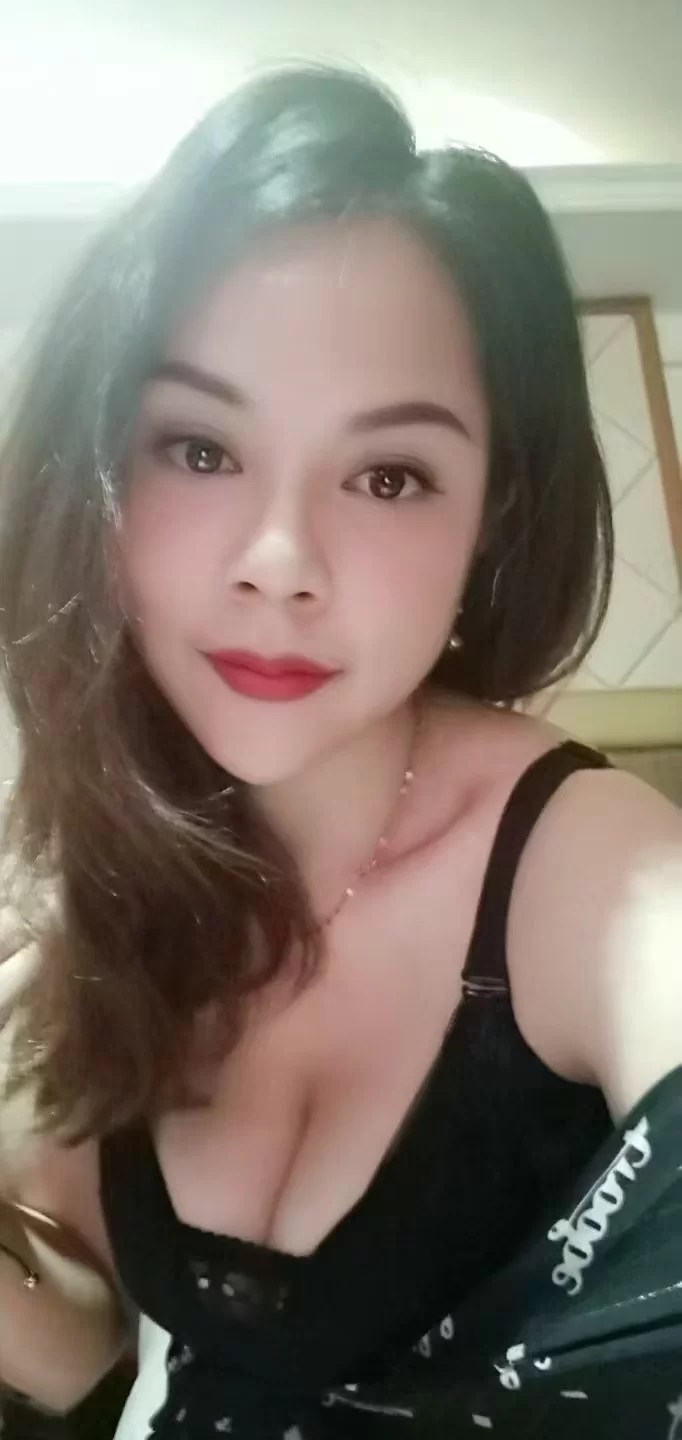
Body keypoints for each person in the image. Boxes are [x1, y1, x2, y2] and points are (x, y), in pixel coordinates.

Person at [0, 63, 680, 1440]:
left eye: (388, 475)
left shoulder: (583, 874)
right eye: (199, 448)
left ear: (489, 520)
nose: (280, 560)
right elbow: (87, 1355)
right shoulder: (106, 913)